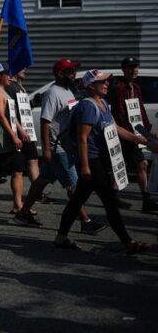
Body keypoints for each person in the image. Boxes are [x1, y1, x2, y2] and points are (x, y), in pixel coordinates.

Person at [53, 69, 150, 254]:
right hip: (92, 160)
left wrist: (138, 139)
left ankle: (61, 237)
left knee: (77, 200)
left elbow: (114, 127)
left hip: (100, 159)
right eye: (102, 82)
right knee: (110, 201)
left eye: (107, 81)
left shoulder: (104, 103)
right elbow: (82, 138)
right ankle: (128, 242)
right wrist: (85, 166)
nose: (106, 84)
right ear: (91, 86)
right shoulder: (88, 106)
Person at [13, 59, 107, 233]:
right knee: (73, 185)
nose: (73, 74)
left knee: (42, 181)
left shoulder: (68, 92)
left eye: (74, 71)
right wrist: (47, 149)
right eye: (70, 71)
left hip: (65, 145)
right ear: (60, 74)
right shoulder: (53, 93)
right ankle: (85, 221)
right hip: (58, 148)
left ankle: (23, 214)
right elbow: (45, 121)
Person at [109, 56, 158, 212]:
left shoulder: (136, 88)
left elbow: (140, 110)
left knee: (121, 166)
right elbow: (120, 115)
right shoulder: (119, 88)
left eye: (136, 67)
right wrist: (134, 137)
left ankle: (114, 197)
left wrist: (149, 130)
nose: (134, 70)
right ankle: (146, 200)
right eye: (130, 67)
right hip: (124, 133)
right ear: (123, 69)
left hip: (135, 131)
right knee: (142, 164)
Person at [0, 62, 25, 214]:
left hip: (11, 141)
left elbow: (11, 116)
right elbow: (1, 117)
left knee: (18, 170)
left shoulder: (5, 92)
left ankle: (18, 205)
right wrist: (14, 136)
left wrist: (21, 130)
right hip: (1, 142)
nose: (10, 77)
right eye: (7, 74)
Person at [6, 67, 40, 184]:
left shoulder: (20, 86)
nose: (25, 70)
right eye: (22, 67)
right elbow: (10, 112)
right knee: (17, 169)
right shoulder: (9, 86)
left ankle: (37, 191)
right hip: (18, 132)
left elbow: (24, 110)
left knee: (33, 159)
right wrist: (20, 130)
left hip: (26, 131)